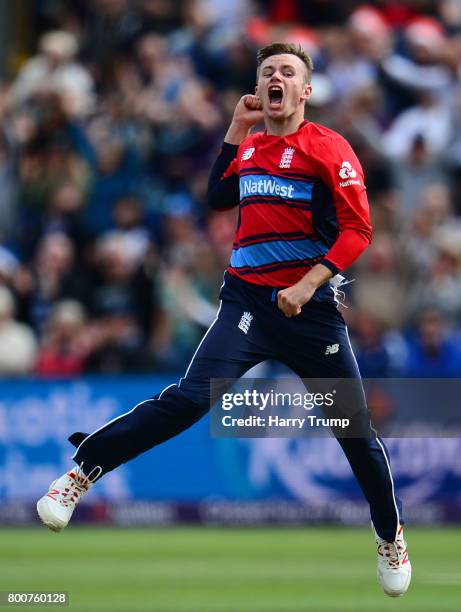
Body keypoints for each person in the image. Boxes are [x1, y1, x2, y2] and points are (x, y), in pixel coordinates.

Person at [37, 42, 411, 598]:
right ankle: (82, 470)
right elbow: (217, 196)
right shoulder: (254, 144)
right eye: (267, 73)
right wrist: (235, 129)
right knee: (190, 399)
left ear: (305, 90)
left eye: (288, 72)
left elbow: (359, 230)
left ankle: (389, 535)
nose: (276, 79)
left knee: (353, 432)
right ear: (259, 90)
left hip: (310, 312)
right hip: (248, 306)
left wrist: (308, 284)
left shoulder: (328, 149)